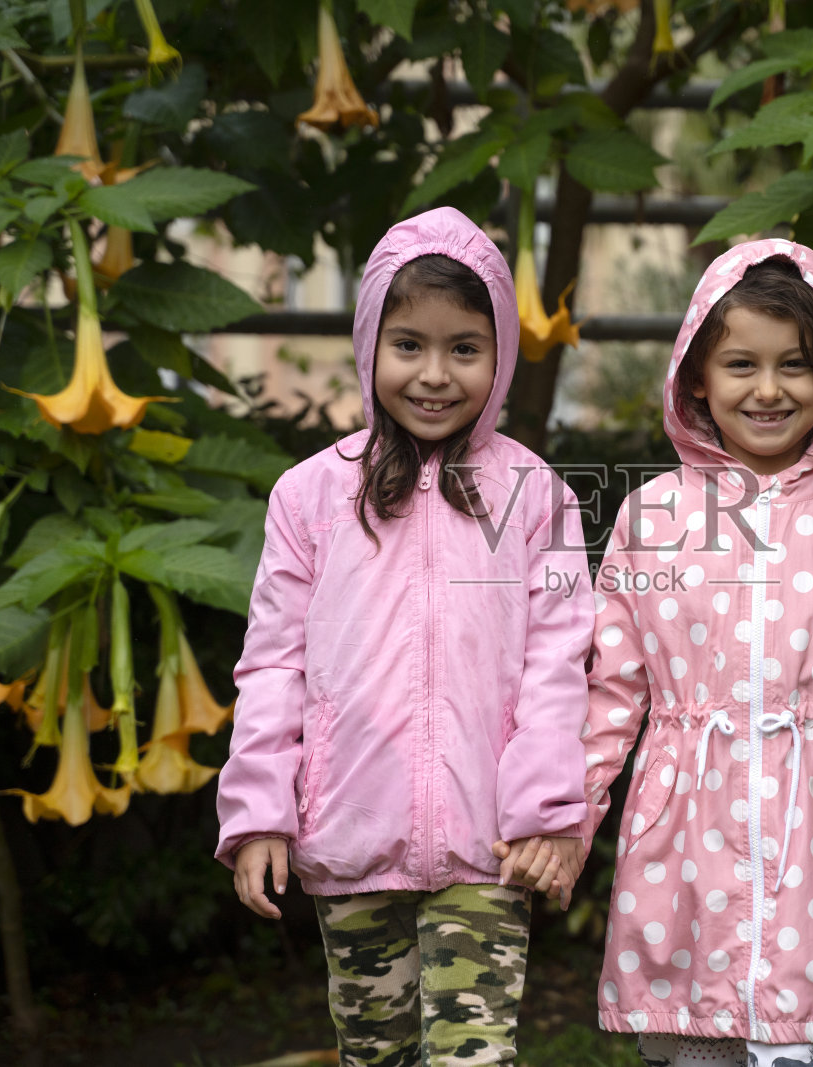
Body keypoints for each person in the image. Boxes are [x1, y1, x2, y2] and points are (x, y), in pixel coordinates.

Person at [515, 242, 813, 1066]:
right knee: (690, 1048)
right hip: (682, 856)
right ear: (695, 378)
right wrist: (565, 824)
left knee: (799, 1045)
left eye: (794, 364)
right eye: (741, 365)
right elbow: (609, 696)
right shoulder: (651, 518)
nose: (767, 389)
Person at [215, 207, 592, 1067]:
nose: (434, 375)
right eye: (409, 345)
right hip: (349, 833)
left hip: (489, 847)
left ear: (499, 359)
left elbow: (558, 662)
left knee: (473, 1057)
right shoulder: (310, 496)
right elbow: (273, 662)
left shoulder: (536, 495)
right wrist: (260, 811)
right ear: (368, 345)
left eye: (464, 348)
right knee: (374, 1053)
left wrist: (544, 813)